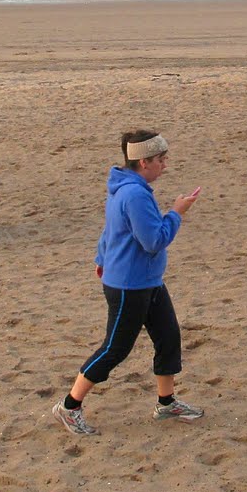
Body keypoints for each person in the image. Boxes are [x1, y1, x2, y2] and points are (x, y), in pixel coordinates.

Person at [52, 129, 203, 435]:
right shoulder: (133, 193)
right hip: (129, 286)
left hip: (147, 280)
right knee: (116, 348)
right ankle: (69, 406)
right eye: (161, 159)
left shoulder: (128, 186)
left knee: (168, 337)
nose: (166, 165)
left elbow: (111, 230)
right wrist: (176, 213)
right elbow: (153, 240)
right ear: (144, 162)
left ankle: (166, 402)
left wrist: (101, 259)